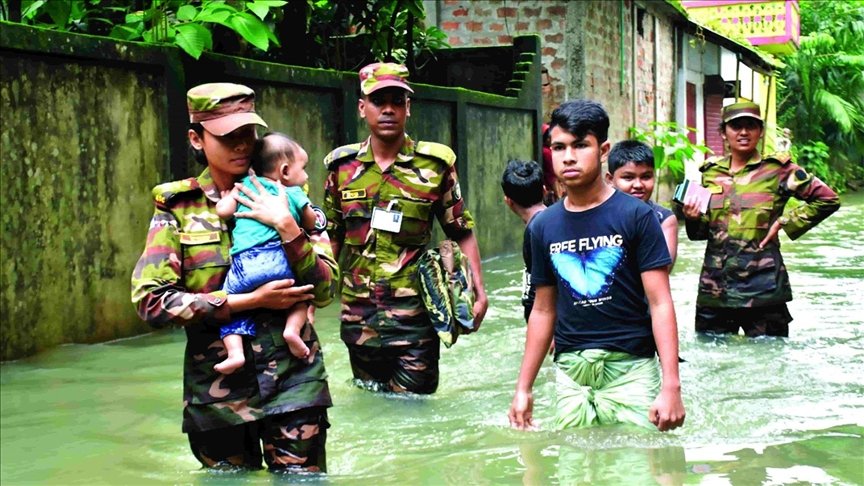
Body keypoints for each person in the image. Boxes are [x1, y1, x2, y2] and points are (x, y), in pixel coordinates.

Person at [131, 83, 338, 472]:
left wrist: (289, 229)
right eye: (227, 136)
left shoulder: (289, 190)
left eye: (248, 132)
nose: (242, 144)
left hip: (295, 381)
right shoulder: (178, 207)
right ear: (196, 138)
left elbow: (327, 289)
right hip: (217, 392)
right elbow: (151, 301)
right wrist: (245, 303)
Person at [508, 100, 685, 432]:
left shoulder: (637, 216)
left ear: (603, 149)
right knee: (572, 470)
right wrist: (523, 388)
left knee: (637, 467)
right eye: (559, 147)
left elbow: (661, 302)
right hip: (571, 373)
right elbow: (543, 310)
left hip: (631, 367)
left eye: (580, 145)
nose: (569, 156)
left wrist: (671, 385)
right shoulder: (543, 227)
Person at [322, 62, 488, 394]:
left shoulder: (435, 166)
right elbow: (332, 238)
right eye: (378, 100)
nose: (388, 109)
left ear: (408, 108)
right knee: (371, 406)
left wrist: (477, 292)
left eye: (397, 101)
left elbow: (460, 230)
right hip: (359, 318)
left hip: (417, 319)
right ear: (361, 108)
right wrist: (314, 299)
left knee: (413, 411)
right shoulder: (341, 168)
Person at [682, 102, 840, 337]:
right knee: (714, 362)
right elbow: (700, 235)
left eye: (751, 126)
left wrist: (785, 221)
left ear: (761, 131)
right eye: (736, 126)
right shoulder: (710, 173)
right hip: (715, 290)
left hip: (764, 289)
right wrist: (692, 219)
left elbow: (827, 199)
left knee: (771, 361)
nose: (743, 132)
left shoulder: (779, 170)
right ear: (724, 132)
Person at [213, 133, 318, 374]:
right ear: (284, 171)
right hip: (278, 260)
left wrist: (227, 198)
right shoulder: (292, 191)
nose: (306, 175)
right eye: (303, 168)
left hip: (244, 264)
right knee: (302, 296)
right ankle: (292, 331)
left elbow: (222, 211)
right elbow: (311, 221)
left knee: (226, 303)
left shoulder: (245, 187)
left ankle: (235, 353)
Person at [606, 140, 679, 270]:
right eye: (628, 177)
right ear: (610, 180)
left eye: (646, 177)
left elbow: (663, 268)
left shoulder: (664, 219)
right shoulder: (599, 215)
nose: (638, 185)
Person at [500, 159, 546, 322]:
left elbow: (538, 289)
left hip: (544, 322)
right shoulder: (553, 221)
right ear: (544, 191)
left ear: (508, 201)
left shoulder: (535, 230)